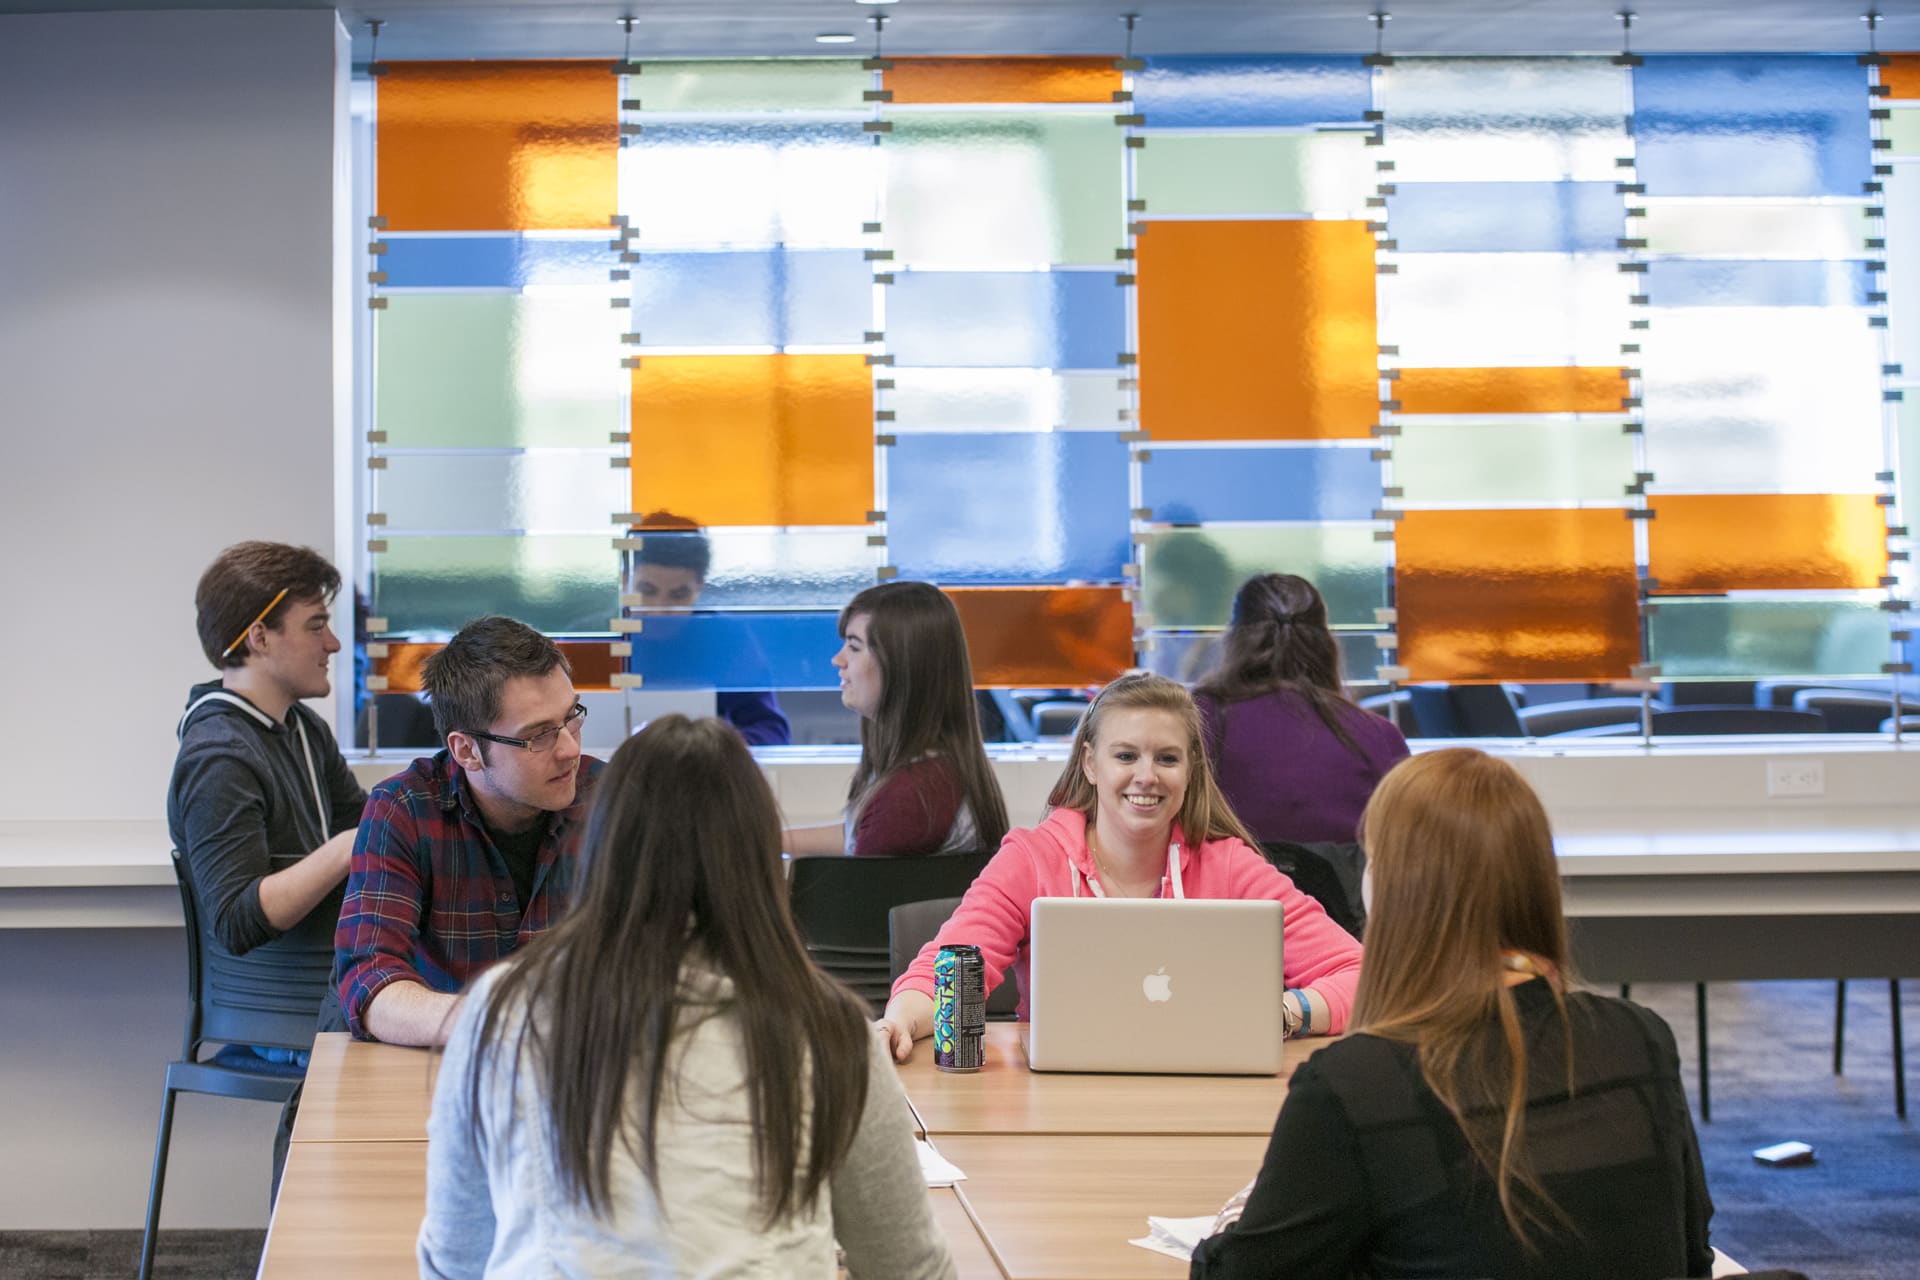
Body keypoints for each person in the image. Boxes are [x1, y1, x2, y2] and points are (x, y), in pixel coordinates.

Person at [417, 716, 956, 1280]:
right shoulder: (826, 1027)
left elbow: (456, 1261)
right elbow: (909, 1268)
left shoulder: (501, 1011)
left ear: (603, 849)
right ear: (755, 861)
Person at [1190, 748, 1715, 1280]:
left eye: (1370, 858)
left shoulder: (1354, 1086)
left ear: (1394, 888)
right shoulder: (1640, 1037)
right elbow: (1693, 1256)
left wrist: (1237, 1219)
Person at [878, 672, 1365, 1055]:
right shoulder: (1032, 859)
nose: (1146, 777)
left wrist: (1284, 1011)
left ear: (1190, 768)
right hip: (1055, 1102)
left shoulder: (1230, 866)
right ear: (1091, 764)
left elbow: (1362, 975)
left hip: (1201, 1101)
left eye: (1167, 759)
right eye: (1126, 755)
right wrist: (900, 1019)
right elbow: (942, 972)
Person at [333, 616, 603, 1046]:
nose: (571, 748)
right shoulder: (404, 810)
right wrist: (499, 1021)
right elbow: (370, 983)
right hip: (446, 1074)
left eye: (571, 717)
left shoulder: (610, 801)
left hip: (583, 1070)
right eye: (538, 736)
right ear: (467, 750)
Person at [167, 541, 367, 1033]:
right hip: (288, 1015)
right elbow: (235, 920)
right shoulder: (219, 758)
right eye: (316, 626)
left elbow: (368, 823)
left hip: (328, 999)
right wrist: (345, 849)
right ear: (260, 637)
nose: (334, 644)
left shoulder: (303, 729)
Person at [783, 580, 1010, 858]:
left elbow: (861, 879)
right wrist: (767, 841)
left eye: (854, 647)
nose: (838, 660)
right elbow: (858, 835)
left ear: (900, 665)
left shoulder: (911, 799)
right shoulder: (930, 773)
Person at [1194, 573, 1408, 846]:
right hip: (1343, 889)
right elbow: (1405, 852)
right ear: (1325, 642)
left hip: (1223, 889)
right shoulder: (1379, 736)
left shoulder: (1196, 722)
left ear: (1234, 639)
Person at [624, 512, 792, 746]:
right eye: (647, 590)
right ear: (624, 581)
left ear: (700, 588)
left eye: (679, 594)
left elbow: (771, 731)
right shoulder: (593, 638)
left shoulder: (725, 638)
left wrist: (713, 754)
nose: (659, 610)